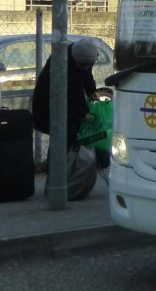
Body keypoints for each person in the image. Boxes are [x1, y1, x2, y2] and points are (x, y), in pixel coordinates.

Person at [31, 39, 105, 196]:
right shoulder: (61, 64)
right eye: (82, 65)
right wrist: (84, 112)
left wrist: (91, 90)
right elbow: (73, 94)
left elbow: (86, 74)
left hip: (64, 107)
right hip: (49, 107)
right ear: (75, 60)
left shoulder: (81, 59)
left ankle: (62, 180)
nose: (85, 68)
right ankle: (58, 183)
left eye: (88, 65)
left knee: (66, 138)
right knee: (64, 138)